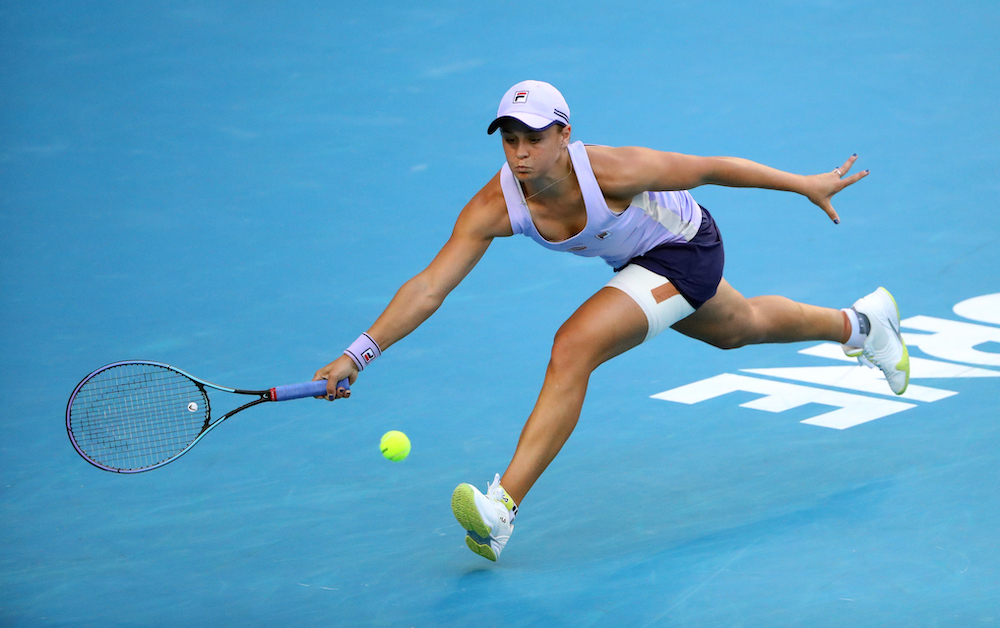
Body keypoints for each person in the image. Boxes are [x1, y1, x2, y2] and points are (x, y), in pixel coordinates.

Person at [313, 80, 910, 562]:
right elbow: (428, 286)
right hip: (638, 259)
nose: (520, 154)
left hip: (685, 248)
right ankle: (863, 324)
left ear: (564, 135)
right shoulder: (497, 203)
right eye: (509, 139)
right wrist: (358, 353)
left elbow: (707, 168)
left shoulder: (612, 170)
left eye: (534, 139)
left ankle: (502, 507)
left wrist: (803, 183)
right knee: (740, 327)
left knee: (574, 345)